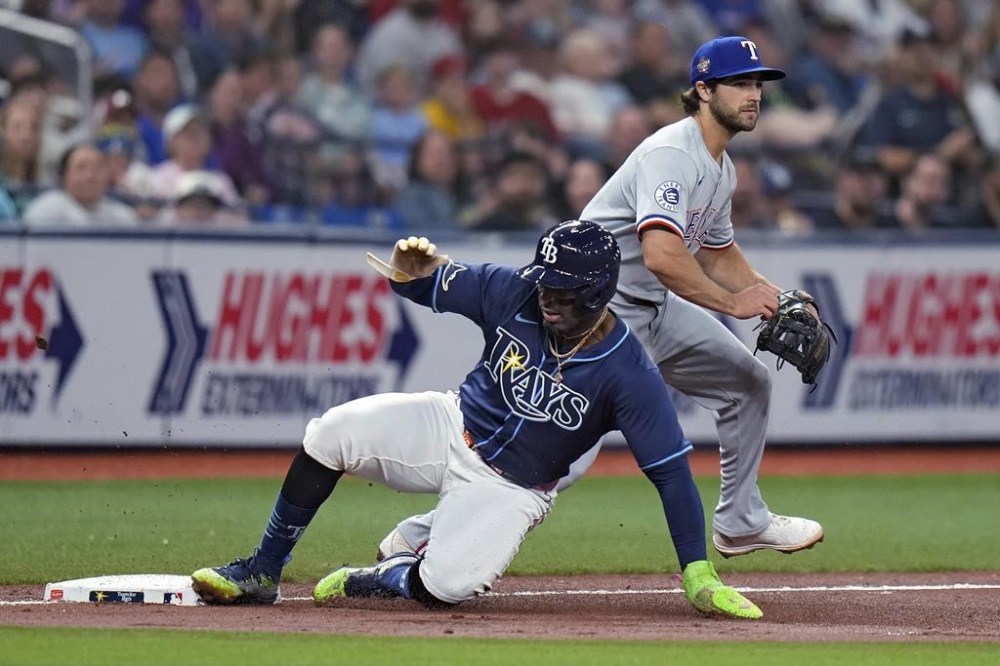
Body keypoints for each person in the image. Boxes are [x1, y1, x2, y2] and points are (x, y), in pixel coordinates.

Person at [376, 36, 825, 563]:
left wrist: (778, 296)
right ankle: (422, 533)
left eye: (757, 84)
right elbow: (662, 254)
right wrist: (733, 305)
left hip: (653, 308)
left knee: (747, 383)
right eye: (740, 83)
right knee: (560, 456)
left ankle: (742, 521)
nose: (753, 95)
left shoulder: (719, 169)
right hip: (594, 315)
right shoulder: (670, 155)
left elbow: (719, 253)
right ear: (703, 89)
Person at [190, 221, 763, 620]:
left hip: (512, 487)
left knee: (449, 586)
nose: (547, 299)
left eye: (562, 293)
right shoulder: (511, 289)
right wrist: (407, 273)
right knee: (330, 433)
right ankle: (262, 572)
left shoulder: (629, 374)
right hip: (449, 424)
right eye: (545, 284)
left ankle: (381, 574)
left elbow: (670, 477)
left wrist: (698, 573)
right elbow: (420, 285)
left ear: (597, 292)